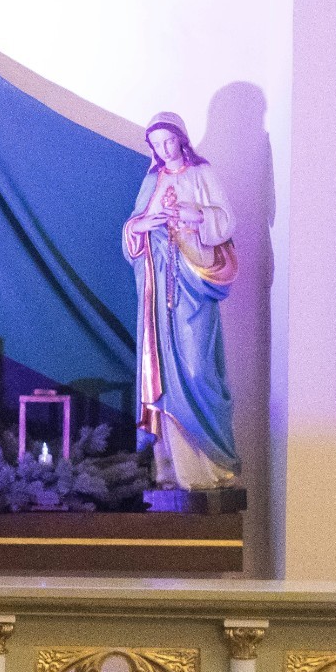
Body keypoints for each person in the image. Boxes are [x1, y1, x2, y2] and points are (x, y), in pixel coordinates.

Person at [122, 111, 240, 490]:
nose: (164, 149)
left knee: (196, 369)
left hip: (194, 284)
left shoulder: (202, 174)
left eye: (169, 141)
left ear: (181, 139)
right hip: (159, 292)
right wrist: (141, 226)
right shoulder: (152, 180)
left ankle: (214, 466)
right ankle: (172, 470)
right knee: (164, 374)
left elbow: (226, 221)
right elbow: (132, 231)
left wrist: (197, 214)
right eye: (157, 145)